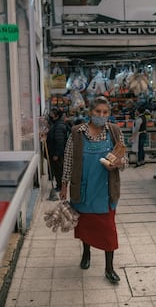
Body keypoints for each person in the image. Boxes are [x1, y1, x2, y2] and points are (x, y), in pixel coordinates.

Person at [59, 96, 127, 284]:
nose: (101, 115)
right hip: (83, 189)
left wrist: (118, 164)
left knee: (108, 230)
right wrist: (64, 185)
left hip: (105, 191)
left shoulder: (114, 132)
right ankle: (86, 254)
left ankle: (109, 268)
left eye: (105, 112)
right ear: (91, 112)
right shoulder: (77, 133)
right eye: (98, 112)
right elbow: (69, 161)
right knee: (86, 226)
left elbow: (123, 158)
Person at [46, 108, 68, 191]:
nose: (50, 115)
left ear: (56, 116)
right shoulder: (56, 124)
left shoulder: (59, 126)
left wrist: (56, 154)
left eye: (52, 114)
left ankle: (60, 186)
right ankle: (59, 185)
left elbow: (60, 141)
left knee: (59, 171)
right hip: (55, 152)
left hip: (58, 154)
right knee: (57, 170)